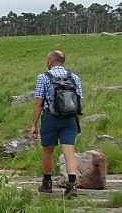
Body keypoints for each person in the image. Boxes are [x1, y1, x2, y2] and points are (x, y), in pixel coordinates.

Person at [29, 50, 83, 196]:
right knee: (69, 151)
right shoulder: (74, 77)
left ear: (51, 61)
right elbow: (79, 102)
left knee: (48, 149)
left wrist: (34, 124)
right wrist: (76, 121)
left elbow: (39, 102)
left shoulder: (43, 77)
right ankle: (72, 184)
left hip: (50, 118)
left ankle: (47, 183)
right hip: (70, 118)